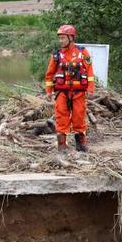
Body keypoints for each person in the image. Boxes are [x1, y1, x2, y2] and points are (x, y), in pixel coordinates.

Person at [45, 24, 95, 152]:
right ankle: (62, 146)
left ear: (71, 38)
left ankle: (81, 144)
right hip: (62, 92)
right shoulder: (56, 55)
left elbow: (89, 72)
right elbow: (49, 74)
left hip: (79, 92)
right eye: (59, 38)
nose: (60, 41)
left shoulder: (82, 52)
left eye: (63, 38)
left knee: (79, 116)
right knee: (61, 116)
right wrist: (49, 91)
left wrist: (90, 89)